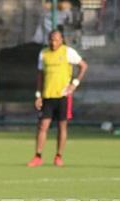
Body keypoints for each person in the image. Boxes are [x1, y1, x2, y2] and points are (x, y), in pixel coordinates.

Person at [27, 30, 87, 168]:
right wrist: (38, 95)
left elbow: (83, 66)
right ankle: (38, 156)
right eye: (51, 40)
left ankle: (58, 156)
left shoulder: (68, 52)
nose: (53, 42)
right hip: (48, 96)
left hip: (63, 96)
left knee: (62, 126)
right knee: (43, 126)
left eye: (56, 40)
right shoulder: (44, 54)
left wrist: (74, 84)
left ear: (61, 40)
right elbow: (40, 76)